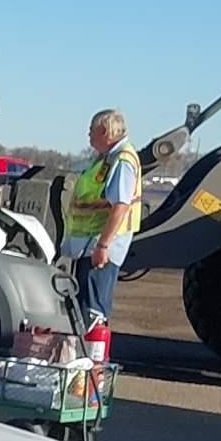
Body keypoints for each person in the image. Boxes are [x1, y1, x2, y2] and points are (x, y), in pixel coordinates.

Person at [59, 108, 142, 330]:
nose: (88, 136)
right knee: (85, 305)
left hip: (100, 247)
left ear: (104, 131)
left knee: (93, 309)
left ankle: (93, 360)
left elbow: (120, 206)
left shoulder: (122, 161)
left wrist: (103, 245)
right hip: (89, 245)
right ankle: (89, 358)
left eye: (91, 131)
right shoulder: (106, 159)